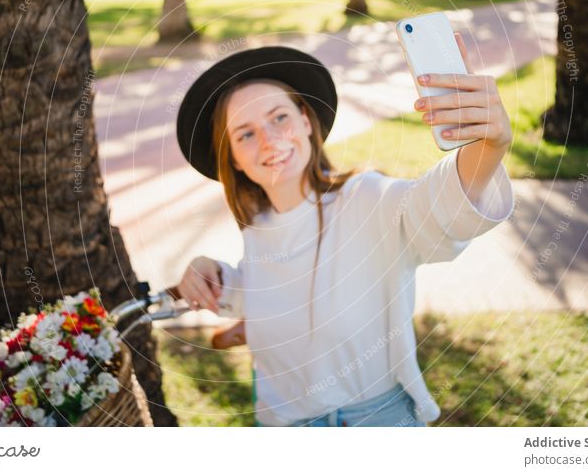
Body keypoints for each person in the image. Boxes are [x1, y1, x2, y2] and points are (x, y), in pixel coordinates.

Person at [172, 38, 514, 427]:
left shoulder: (366, 200)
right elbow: (273, 290)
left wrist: (488, 145)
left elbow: (437, 207)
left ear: (305, 120)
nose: (269, 140)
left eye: (279, 117)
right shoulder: (260, 227)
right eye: (245, 134)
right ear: (231, 156)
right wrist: (208, 273)